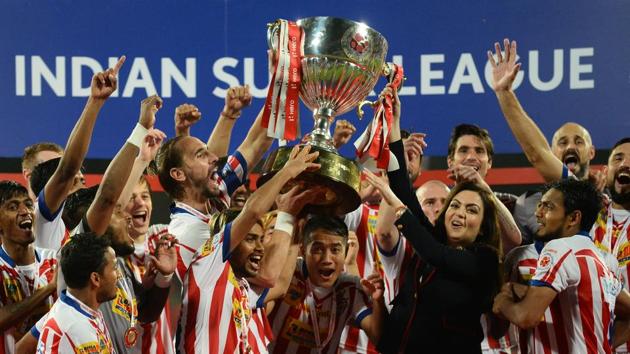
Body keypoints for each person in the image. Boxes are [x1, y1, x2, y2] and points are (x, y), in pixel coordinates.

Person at [178, 145, 321, 353]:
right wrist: (288, 171)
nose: (260, 248)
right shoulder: (207, 266)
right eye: (251, 239)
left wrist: (290, 214)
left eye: (261, 239)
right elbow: (253, 212)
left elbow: (279, 283)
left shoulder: (243, 289)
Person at [493, 179, 630, 353]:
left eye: (548, 207)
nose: (538, 213)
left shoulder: (559, 247)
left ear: (573, 218)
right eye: (539, 205)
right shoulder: (600, 259)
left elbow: (525, 317)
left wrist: (502, 302)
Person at [488, 38, 602, 244]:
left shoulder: (607, 202)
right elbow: (537, 153)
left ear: (592, 151)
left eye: (578, 141)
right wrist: (504, 94)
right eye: (563, 142)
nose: (570, 147)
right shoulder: (529, 205)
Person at [267, 215, 386, 354]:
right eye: (318, 249)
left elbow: (378, 338)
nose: (327, 259)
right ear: (303, 250)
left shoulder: (350, 288)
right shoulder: (289, 274)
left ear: (345, 252)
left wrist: (378, 300)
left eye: (335, 250)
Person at [0, 181, 57, 353]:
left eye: (28, 204)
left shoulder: (55, 260)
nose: (25, 211)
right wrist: (49, 288)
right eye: (13, 207)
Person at [35, 233, 117, 353]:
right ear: (96, 279)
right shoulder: (66, 329)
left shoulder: (87, 311)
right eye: (114, 268)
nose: (118, 275)